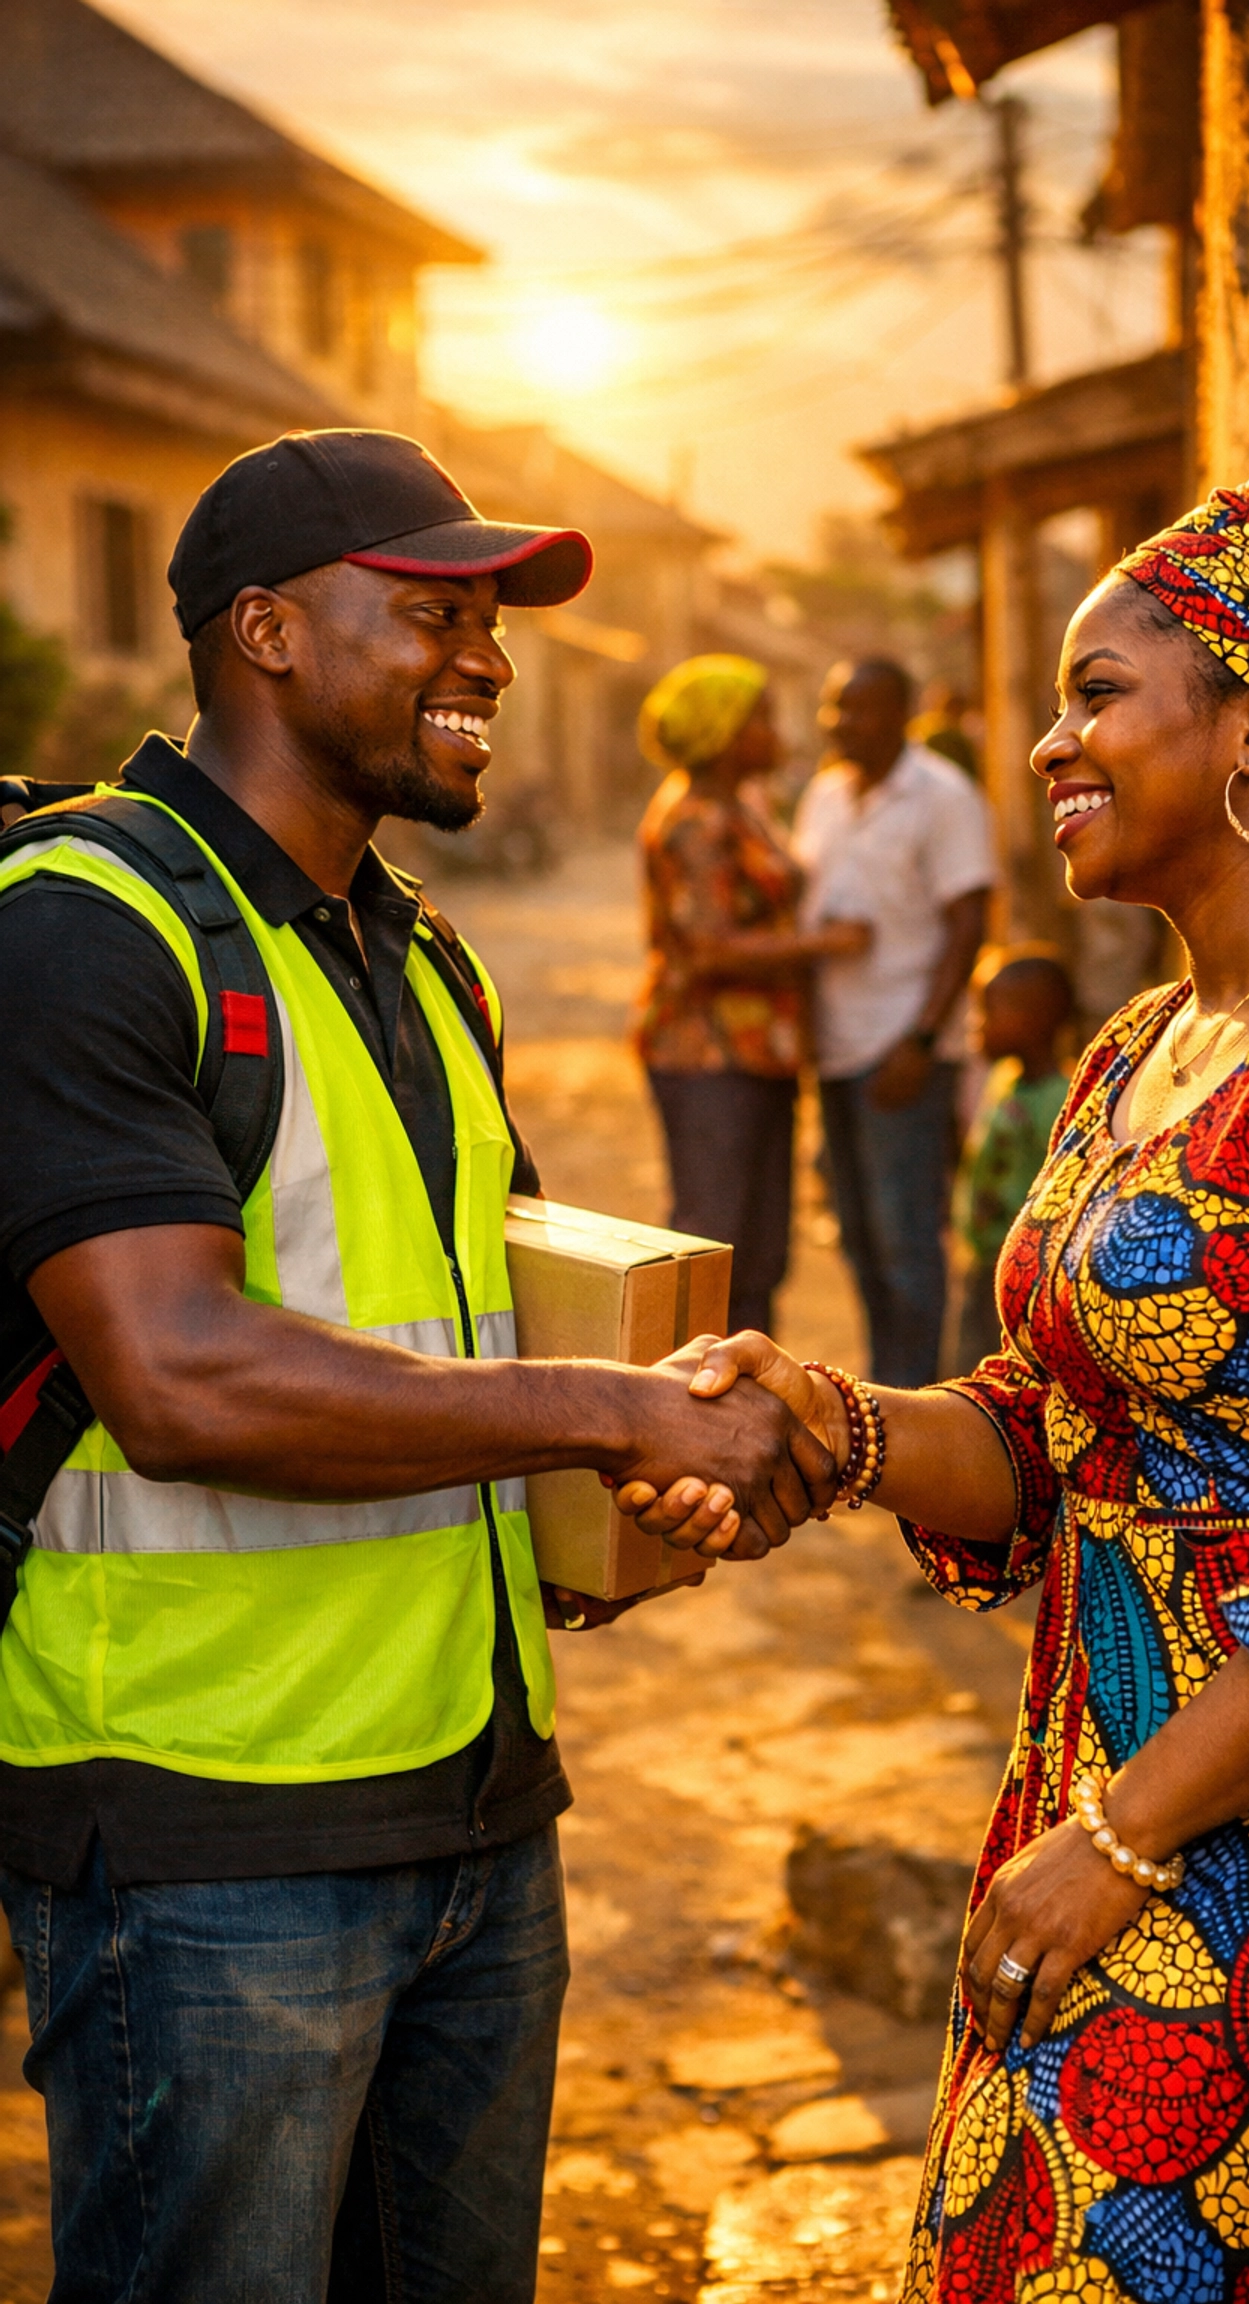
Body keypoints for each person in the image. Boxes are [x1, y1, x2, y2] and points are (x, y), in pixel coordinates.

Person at [625, 466, 1249, 2301]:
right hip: (1092, 1799)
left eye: (1096, 690)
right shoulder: (1138, 1049)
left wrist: (1121, 1836)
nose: (1050, 741)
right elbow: (1047, 1432)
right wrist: (835, 1418)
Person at [0, 429, 833, 2304]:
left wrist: (627, 1474)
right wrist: (611, 1409)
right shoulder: (83, 931)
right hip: (204, 1841)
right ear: (268, 631)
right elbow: (182, 1376)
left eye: (493, 624)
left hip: (476, 1805)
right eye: (432, 615)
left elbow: (469, 1327)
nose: (488, 666)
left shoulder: (418, 947)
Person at [635, 654, 869, 1336]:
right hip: (706, 1051)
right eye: (761, 718)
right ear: (724, 732)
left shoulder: (738, 808)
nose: (775, 731)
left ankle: (743, 1394)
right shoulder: (695, 820)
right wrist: (826, 944)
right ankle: (687, 1402)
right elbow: (707, 949)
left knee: (760, 1252)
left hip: (754, 1052)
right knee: (716, 1244)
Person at [794, 656, 997, 1386]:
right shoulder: (821, 795)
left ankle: (918, 1408)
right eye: (831, 707)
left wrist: (920, 1040)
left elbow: (968, 922)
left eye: (857, 709)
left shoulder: (944, 797)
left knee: (907, 1244)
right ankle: (885, 1393)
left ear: (902, 714)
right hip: (836, 1052)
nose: (838, 723)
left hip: (903, 1052)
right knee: (857, 1239)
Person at [946, 946, 1072, 1374]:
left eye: (987, 1012)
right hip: (981, 1258)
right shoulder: (1003, 1081)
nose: (976, 1024)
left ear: (1036, 1021)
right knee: (966, 1365)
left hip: (1025, 1270)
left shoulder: (1059, 1099)